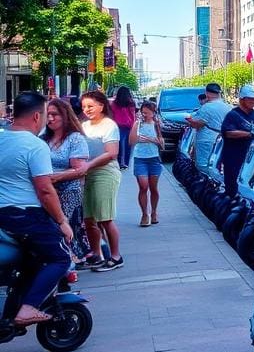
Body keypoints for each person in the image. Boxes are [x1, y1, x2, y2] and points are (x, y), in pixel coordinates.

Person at [0, 91, 73, 326]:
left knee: (31, 261)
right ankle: (28, 309)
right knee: (61, 258)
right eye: (45, 114)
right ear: (36, 116)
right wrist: (62, 221)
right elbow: (45, 190)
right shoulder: (35, 145)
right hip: (26, 216)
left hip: (4, 216)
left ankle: (13, 309)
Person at [80, 90, 124, 270]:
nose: (87, 110)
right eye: (84, 107)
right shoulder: (83, 126)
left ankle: (115, 256)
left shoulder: (109, 125)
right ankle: (96, 254)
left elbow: (111, 153)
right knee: (89, 219)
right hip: (87, 174)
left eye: (90, 106)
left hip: (105, 173)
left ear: (102, 106)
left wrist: (88, 165)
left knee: (105, 218)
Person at [43, 98, 91, 262]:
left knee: (63, 229)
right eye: (47, 114)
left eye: (54, 114)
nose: (50, 118)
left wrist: (56, 177)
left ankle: (68, 264)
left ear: (65, 115)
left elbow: (79, 170)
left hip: (69, 191)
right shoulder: (43, 138)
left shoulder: (75, 139)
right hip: (47, 191)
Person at [219, 85, 254, 197]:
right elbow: (228, 132)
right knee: (232, 185)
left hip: (251, 156)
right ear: (241, 99)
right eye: (250, 98)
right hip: (234, 156)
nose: (253, 101)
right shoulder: (233, 115)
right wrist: (250, 134)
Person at [131, 101, 165, 225]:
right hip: (140, 158)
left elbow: (161, 143)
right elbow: (132, 141)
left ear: (153, 113)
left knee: (153, 188)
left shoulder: (156, 124)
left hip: (154, 158)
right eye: (142, 112)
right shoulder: (138, 124)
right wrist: (136, 124)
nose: (144, 115)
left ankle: (154, 212)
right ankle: (145, 214)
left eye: (147, 113)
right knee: (143, 186)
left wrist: (151, 139)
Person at [188, 83, 231, 174]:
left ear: (207, 93)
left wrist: (190, 121)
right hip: (223, 140)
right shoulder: (228, 107)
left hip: (207, 140)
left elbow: (198, 124)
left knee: (203, 166)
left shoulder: (206, 107)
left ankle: (207, 185)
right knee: (218, 165)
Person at [110, 86, 137, 170]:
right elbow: (133, 115)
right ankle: (125, 163)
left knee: (119, 144)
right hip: (128, 126)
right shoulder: (131, 103)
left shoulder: (114, 103)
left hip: (117, 126)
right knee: (128, 145)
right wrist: (134, 126)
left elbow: (112, 114)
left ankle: (118, 162)